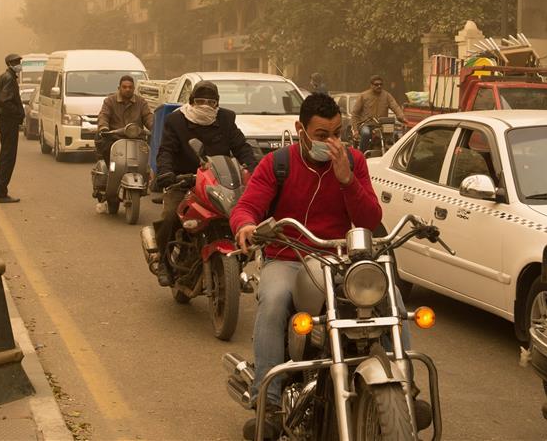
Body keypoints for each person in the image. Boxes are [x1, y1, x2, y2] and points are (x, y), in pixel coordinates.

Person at [230, 93, 394, 439]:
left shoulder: (354, 161)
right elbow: (248, 206)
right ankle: (268, 402)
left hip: (339, 259)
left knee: (389, 299)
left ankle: (402, 390)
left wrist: (347, 180)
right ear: (300, 130)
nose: (332, 142)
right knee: (273, 302)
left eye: (338, 133)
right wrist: (245, 224)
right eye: (322, 135)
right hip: (287, 256)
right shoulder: (278, 163)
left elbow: (370, 219)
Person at [154, 81, 258, 286]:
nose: (206, 106)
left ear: (217, 104)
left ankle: (237, 265)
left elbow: (241, 147)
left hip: (220, 181)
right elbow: (166, 150)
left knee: (244, 217)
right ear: (191, 102)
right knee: (169, 216)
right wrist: (166, 172)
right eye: (200, 101)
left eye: (211, 102)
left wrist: (254, 168)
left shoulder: (226, 119)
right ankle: (163, 262)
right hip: (185, 181)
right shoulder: (176, 120)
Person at [0, 54, 25, 203]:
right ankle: (1, 192)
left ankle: (1, 190)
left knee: (5, 155)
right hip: (9, 122)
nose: (19, 65)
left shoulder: (3, 77)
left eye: (20, 62)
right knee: (8, 157)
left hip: (4, 122)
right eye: (16, 62)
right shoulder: (9, 79)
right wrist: (17, 114)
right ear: (10, 64)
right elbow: (4, 101)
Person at [96, 75, 153, 165]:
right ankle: (110, 171)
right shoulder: (109, 101)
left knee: (152, 152)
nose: (127, 89)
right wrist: (104, 128)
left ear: (134, 88)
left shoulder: (141, 102)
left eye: (130, 87)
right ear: (119, 88)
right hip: (115, 138)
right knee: (106, 148)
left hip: (137, 138)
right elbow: (104, 115)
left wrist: (154, 127)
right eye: (124, 87)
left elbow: (147, 116)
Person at [350, 74, 406, 152]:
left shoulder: (387, 96)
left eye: (381, 84)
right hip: (366, 124)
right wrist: (355, 130)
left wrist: (402, 117)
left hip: (381, 125)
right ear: (371, 85)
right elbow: (355, 114)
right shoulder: (363, 96)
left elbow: (395, 106)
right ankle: (361, 154)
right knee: (366, 133)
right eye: (376, 84)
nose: (379, 86)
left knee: (394, 136)